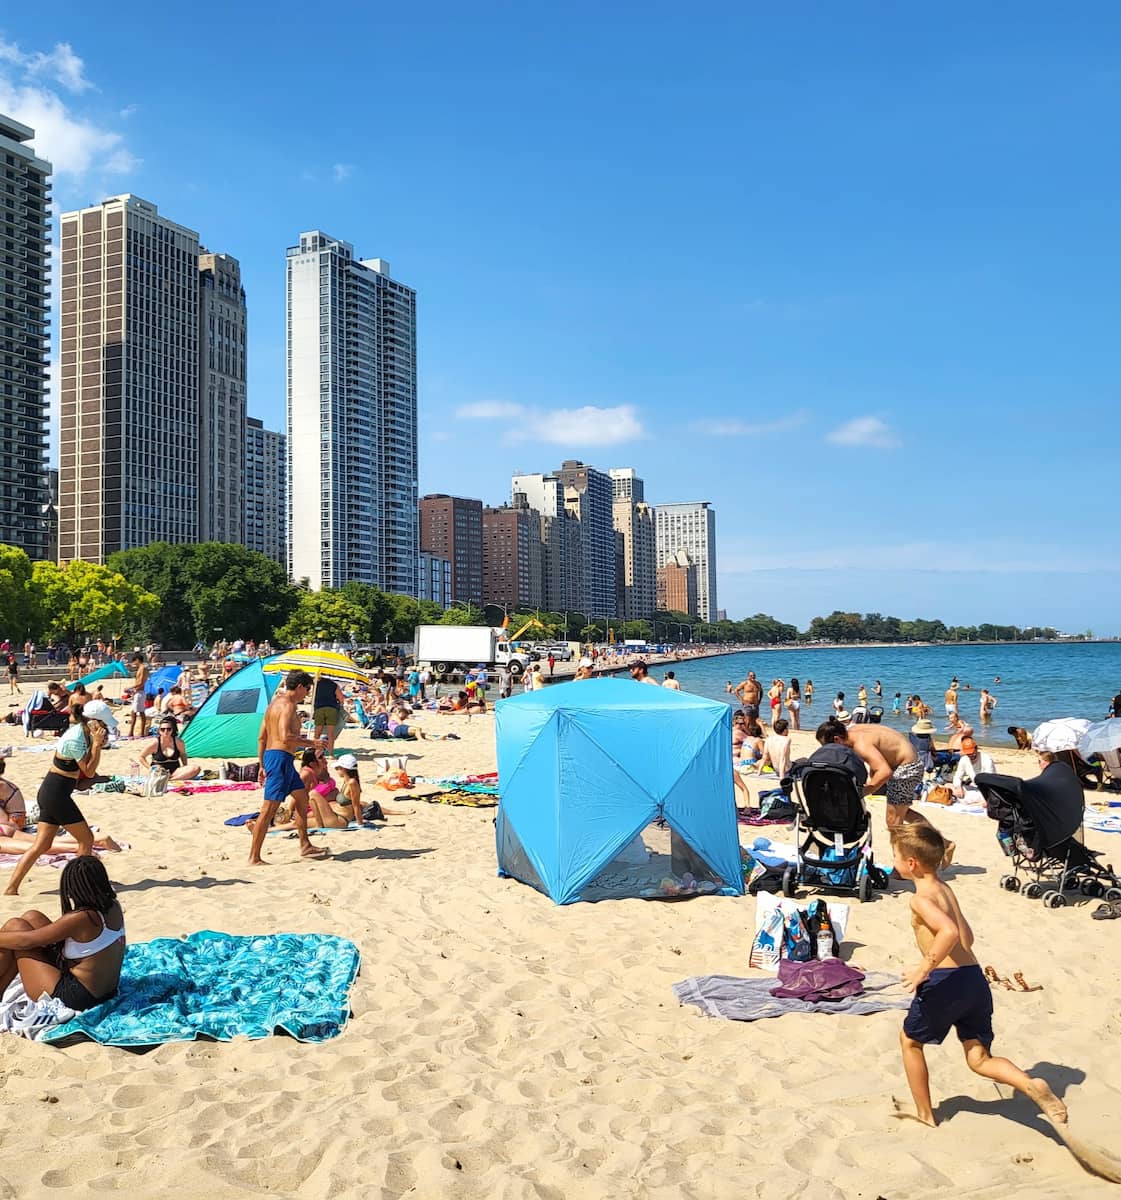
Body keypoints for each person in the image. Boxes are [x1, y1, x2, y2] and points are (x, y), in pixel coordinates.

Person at [890, 822, 1067, 1129]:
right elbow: (967, 939)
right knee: (979, 1058)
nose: (892, 861)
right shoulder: (946, 889)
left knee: (909, 1041)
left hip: (945, 983)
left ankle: (925, 1114)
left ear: (911, 864)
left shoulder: (921, 898)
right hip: (973, 980)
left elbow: (949, 931)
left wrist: (923, 967)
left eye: (894, 855)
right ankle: (1029, 1085)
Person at [0, 856, 126, 1012]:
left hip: (76, 997)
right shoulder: (112, 905)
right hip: (105, 991)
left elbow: (26, 941)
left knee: (15, 927)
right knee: (32, 916)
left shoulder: (82, 918)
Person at [4, 703, 105, 896]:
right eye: (102, 724)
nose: (105, 729)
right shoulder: (76, 738)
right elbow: (89, 771)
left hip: (53, 792)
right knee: (86, 839)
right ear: (93, 721)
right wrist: (97, 745)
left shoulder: (82, 734)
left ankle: (11, 888)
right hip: (56, 794)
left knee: (42, 845)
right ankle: (79, 886)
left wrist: (96, 744)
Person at [248, 671, 330, 866]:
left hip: (276, 758)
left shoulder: (272, 705)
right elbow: (285, 736)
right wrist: (312, 742)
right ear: (300, 686)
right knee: (268, 809)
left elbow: (261, 737)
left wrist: (261, 764)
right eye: (308, 689)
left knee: (302, 799)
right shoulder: (288, 705)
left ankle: (305, 845)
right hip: (280, 759)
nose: (307, 694)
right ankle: (254, 857)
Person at [816, 718, 923, 828]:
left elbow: (885, 772)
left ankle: (932, 840)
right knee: (901, 812)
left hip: (907, 768)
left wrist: (862, 793)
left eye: (827, 746)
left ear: (837, 739)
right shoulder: (853, 730)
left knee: (892, 821)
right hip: (907, 760)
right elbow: (879, 746)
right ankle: (935, 838)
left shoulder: (860, 744)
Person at [138, 715, 200, 781]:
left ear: (172, 730)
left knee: (196, 768)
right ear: (159, 730)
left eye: (168, 729)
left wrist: (185, 766)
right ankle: (171, 778)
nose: (165, 731)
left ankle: (171, 779)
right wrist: (150, 768)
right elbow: (141, 757)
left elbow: (183, 754)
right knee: (158, 769)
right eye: (162, 729)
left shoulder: (178, 742)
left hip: (175, 770)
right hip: (159, 771)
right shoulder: (155, 743)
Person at [951, 737, 994, 803]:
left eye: (972, 753)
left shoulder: (986, 759)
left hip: (988, 789)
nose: (971, 755)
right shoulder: (964, 759)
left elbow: (989, 780)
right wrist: (958, 787)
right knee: (949, 787)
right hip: (973, 787)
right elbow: (957, 776)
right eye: (968, 754)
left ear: (976, 749)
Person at [312, 675, 346, 754]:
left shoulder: (316, 684)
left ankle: (315, 751)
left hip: (319, 708)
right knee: (330, 734)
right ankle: (330, 753)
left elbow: (313, 696)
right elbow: (341, 698)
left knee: (317, 733)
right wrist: (340, 704)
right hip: (332, 709)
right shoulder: (334, 685)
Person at [127, 653, 149, 739]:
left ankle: (139, 732)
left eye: (134, 661)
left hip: (140, 692)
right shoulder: (141, 668)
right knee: (134, 712)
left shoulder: (142, 668)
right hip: (138, 692)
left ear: (137, 660)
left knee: (139, 712)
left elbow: (140, 682)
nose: (134, 663)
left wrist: (130, 687)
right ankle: (132, 731)